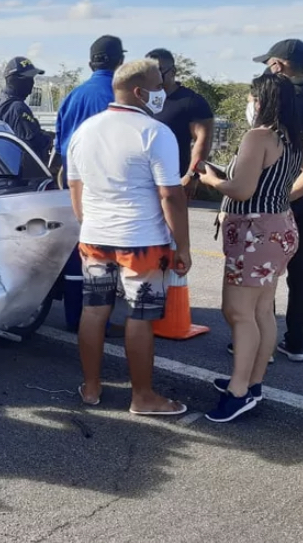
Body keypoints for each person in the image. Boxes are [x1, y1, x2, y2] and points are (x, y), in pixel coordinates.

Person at [67, 58, 190, 416]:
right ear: (140, 91)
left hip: (95, 237)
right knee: (140, 315)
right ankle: (142, 396)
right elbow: (170, 195)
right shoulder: (155, 132)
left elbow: (75, 185)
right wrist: (183, 246)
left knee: (94, 311)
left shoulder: (85, 130)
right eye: (158, 85)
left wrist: (87, 222)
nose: (162, 91)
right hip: (142, 241)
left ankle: (91, 387)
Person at [196, 73, 303, 422]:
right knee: (261, 311)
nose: (250, 104)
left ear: (262, 100)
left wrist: (211, 180)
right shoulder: (292, 137)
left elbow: (242, 190)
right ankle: (252, 383)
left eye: (251, 98)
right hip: (279, 226)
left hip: (254, 232)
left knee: (239, 312)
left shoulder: (259, 136)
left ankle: (238, 391)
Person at [55, 35, 128, 335]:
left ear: (89, 63)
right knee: (103, 258)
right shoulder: (118, 97)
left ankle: (75, 316)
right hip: (105, 188)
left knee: (78, 252)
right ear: (121, 62)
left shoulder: (73, 96)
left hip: (73, 184)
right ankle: (99, 321)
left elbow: (59, 144)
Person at [253, 39, 303, 363]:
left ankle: (259, 344)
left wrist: (278, 197)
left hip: (279, 201)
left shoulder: (285, 101)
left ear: (278, 65)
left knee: (263, 276)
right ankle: (296, 341)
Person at [145, 49, 214, 192]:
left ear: (173, 72)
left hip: (173, 183)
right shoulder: (141, 98)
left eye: (158, 71)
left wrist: (192, 175)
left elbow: (203, 141)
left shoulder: (191, 102)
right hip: (141, 182)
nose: (152, 76)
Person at [0, 56, 52, 163]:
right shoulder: (18, 108)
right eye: (28, 79)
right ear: (15, 80)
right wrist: (50, 139)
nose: (32, 83)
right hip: (20, 168)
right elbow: (33, 142)